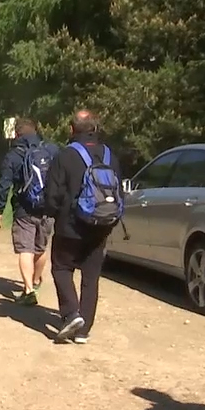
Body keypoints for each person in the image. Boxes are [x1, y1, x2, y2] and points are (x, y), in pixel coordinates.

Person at [42, 109, 121, 344]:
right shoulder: (110, 155)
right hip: (101, 226)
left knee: (62, 268)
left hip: (71, 226)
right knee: (91, 276)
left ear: (71, 129)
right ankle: (84, 330)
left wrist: (52, 213)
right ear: (95, 128)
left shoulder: (65, 155)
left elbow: (52, 195)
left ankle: (71, 313)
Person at [0, 118, 60, 305]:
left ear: (17, 133)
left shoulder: (13, 155)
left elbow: (4, 185)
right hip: (48, 208)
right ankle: (37, 281)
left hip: (24, 209)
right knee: (40, 248)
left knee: (25, 249)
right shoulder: (52, 150)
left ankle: (29, 290)